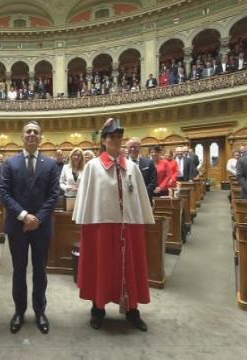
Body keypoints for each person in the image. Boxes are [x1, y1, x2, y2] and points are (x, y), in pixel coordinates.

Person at [72, 118, 154, 331]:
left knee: (130, 267)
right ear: (104, 141)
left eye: (119, 137)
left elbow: (139, 198)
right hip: (100, 226)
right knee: (101, 266)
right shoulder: (92, 166)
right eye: (111, 137)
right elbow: (87, 198)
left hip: (128, 226)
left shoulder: (133, 168)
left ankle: (132, 310)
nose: (116, 141)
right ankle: (98, 309)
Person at [0, 120, 60, 335]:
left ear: (41, 137)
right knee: (18, 271)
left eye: (35, 132)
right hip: (17, 226)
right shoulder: (10, 163)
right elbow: (4, 192)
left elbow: (54, 195)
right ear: (22, 137)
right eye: (28, 132)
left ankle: (40, 311)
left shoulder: (51, 164)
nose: (32, 134)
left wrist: (37, 219)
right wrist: (24, 216)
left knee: (40, 272)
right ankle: (19, 311)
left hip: (41, 228)